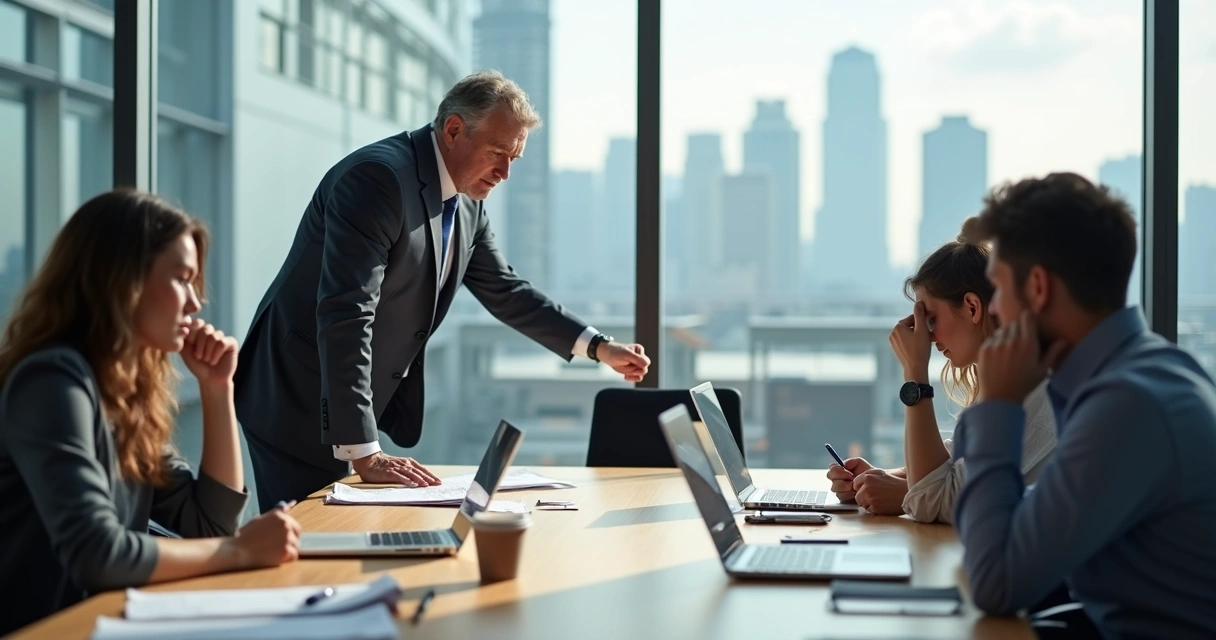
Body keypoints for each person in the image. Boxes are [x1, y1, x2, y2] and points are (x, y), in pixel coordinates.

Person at [234, 70, 651, 511]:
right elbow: (348, 311)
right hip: (296, 394)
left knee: (350, 538)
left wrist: (599, 347)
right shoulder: (377, 179)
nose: (505, 173)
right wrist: (363, 450)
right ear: (453, 130)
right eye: (497, 153)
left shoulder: (468, 200)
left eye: (515, 158)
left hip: (346, 399)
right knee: (307, 548)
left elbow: (505, 290)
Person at [0, 191, 301, 635]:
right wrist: (240, 551)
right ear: (123, 280)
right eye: (181, 278)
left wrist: (217, 390)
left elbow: (209, 524)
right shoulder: (51, 382)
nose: (195, 305)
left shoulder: (121, 395)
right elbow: (98, 554)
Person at [954, 173, 1216, 637]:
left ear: (1037, 288)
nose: (994, 311)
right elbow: (1028, 524)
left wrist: (998, 405)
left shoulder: (1130, 406)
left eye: (999, 290)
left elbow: (996, 582)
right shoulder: (1150, 371)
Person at [826, 239, 1057, 522]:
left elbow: (933, 498)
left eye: (931, 319)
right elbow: (958, 463)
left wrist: (915, 373)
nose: (929, 336)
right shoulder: (1015, 375)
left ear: (972, 307)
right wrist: (880, 478)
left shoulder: (1031, 390)